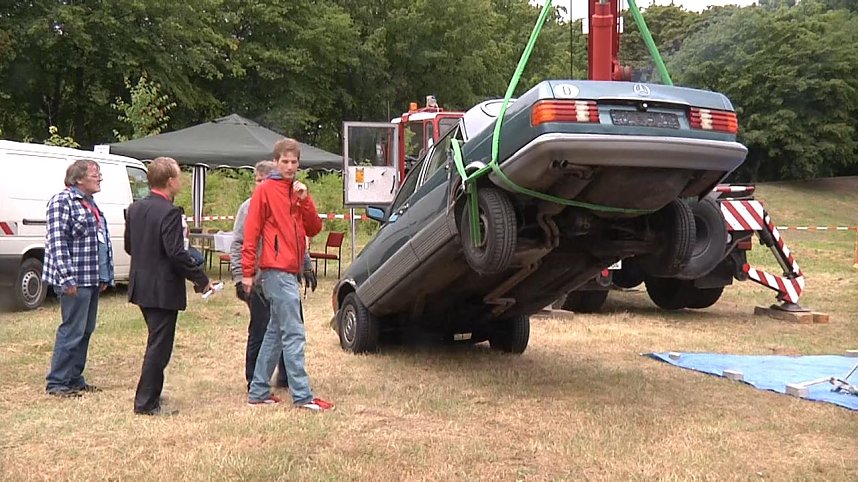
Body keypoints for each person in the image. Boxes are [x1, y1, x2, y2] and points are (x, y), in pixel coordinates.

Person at [242, 138, 332, 411]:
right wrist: (247, 272)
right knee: (293, 333)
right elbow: (251, 231)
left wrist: (305, 200)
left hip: (288, 271)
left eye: (294, 162)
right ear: (276, 161)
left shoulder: (296, 191)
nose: (290, 166)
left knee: (276, 334)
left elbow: (314, 228)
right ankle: (302, 396)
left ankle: (258, 390)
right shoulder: (266, 190)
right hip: (276, 270)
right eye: (285, 162)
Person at [125, 157, 211, 416]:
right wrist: (201, 278)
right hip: (162, 288)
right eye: (179, 177)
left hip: (141, 284)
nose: (181, 181)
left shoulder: (135, 208)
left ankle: (152, 396)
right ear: (170, 181)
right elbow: (176, 253)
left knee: (156, 342)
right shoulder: (170, 212)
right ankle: (145, 403)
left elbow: (130, 246)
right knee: (159, 347)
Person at [231, 160, 317, 391]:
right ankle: (254, 379)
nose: (260, 185)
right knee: (261, 329)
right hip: (259, 280)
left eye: (264, 180)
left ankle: (287, 377)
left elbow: (297, 238)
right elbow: (239, 243)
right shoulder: (248, 208)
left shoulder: (287, 203)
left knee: (289, 326)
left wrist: (306, 266)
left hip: (286, 276)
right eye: (257, 180)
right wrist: (240, 277)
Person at [43, 159, 114, 397]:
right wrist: (66, 278)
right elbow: (57, 243)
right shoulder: (62, 202)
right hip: (75, 279)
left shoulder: (89, 204)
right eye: (95, 174)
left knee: (85, 330)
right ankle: (57, 382)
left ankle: (74, 378)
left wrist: (105, 275)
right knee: (72, 329)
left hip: (91, 278)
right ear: (78, 178)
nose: (100, 178)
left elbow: (100, 240)